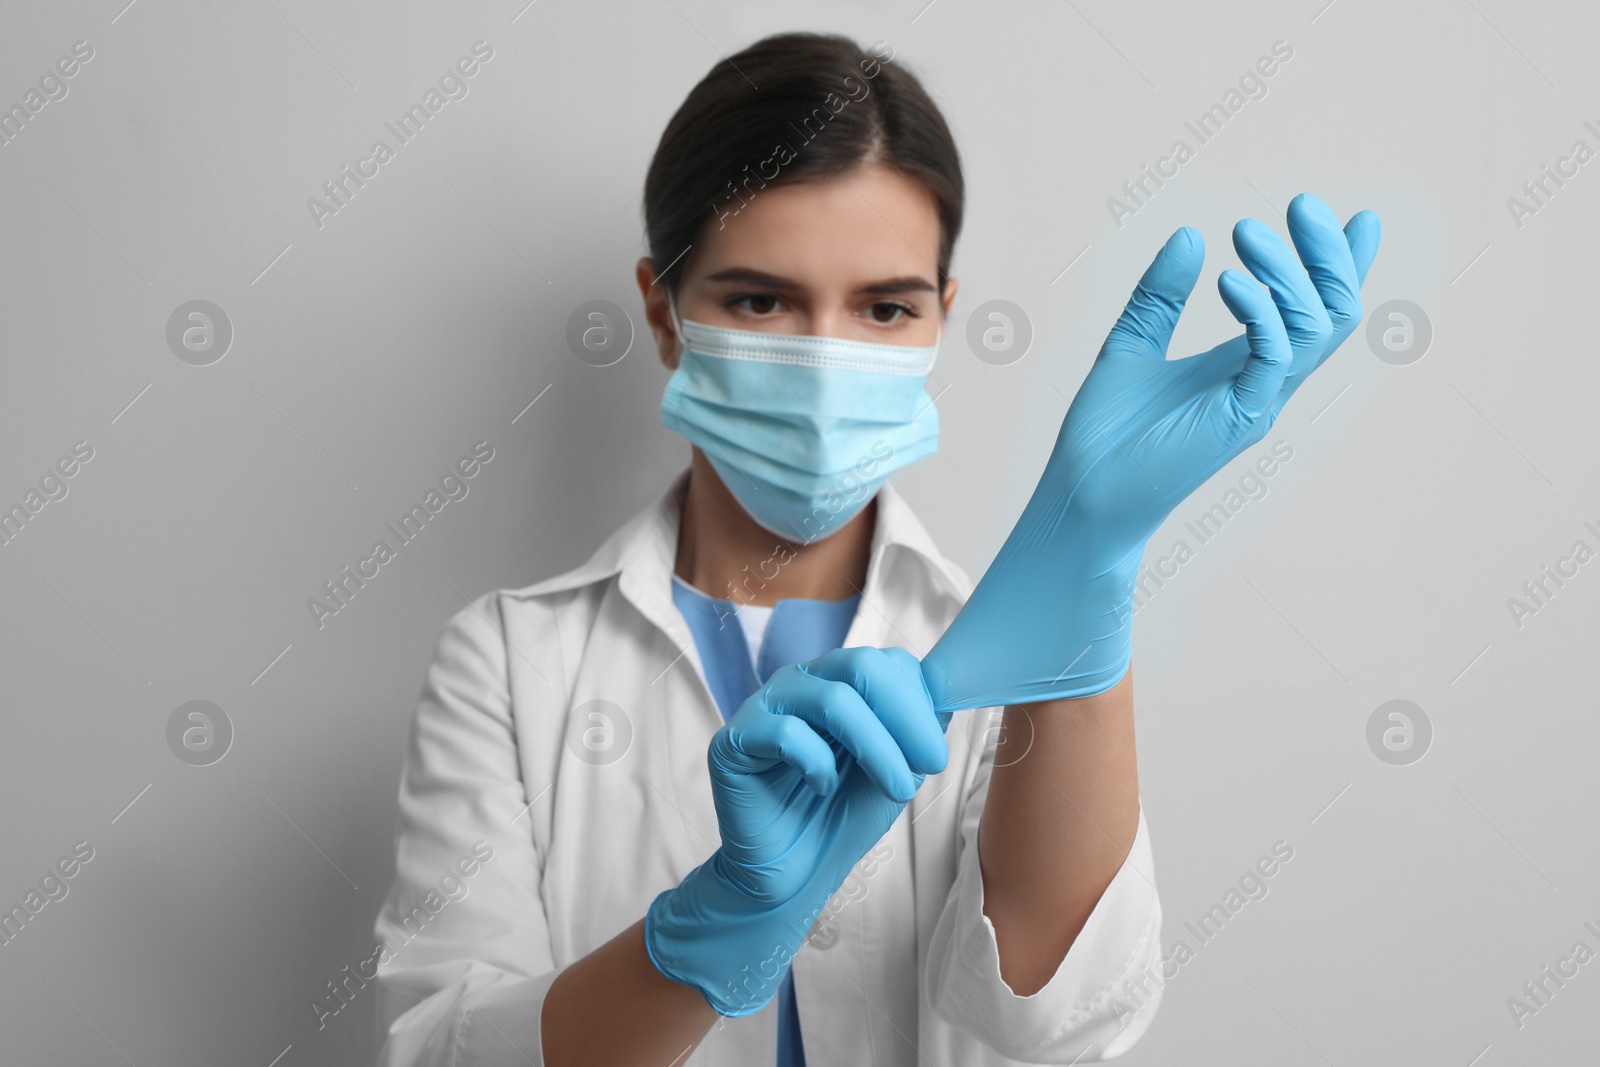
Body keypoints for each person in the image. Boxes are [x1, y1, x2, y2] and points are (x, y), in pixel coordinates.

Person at [370, 31, 1380, 1067]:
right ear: (663, 310)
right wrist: (706, 930)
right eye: (759, 300)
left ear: (943, 313)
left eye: (884, 307)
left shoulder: (1004, 651)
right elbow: (448, 1052)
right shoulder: (503, 659)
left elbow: (1058, 1018)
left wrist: (1087, 558)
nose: (823, 358)